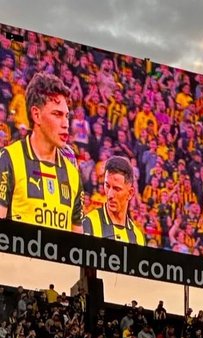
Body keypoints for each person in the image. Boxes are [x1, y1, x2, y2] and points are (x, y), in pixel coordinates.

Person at [0, 72, 83, 231]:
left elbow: (78, 245)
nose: (66, 124)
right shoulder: (8, 160)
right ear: (36, 115)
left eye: (67, 116)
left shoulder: (72, 174)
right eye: (57, 114)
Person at [83, 155, 145, 244]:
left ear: (130, 193)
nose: (110, 194)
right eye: (107, 186)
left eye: (117, 189)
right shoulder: (89, 223)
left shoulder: (138, 238)